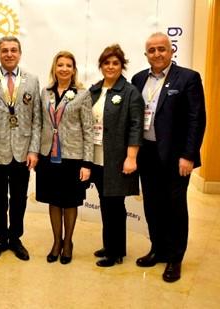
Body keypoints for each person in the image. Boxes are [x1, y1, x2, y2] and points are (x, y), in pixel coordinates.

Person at [132, 32, 206, 282]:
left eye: (161, 49)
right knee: (152, 204)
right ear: (146, 54)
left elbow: (197, 119)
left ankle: (175, 258)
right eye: (151, 50)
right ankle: (157, 249)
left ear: (171, 50)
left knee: (174, 206)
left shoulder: (188, 78)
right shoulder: (139, 79)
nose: (157, 54)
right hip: (147, 153)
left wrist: (189, 155)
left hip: (176, 157)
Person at [0, 36, 41, 261]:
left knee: (20, 198)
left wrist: (33, 150)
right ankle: (0, 238)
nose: (9, 54)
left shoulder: (32, 80)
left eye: (14, 50)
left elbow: (37, 120)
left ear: (20, 54)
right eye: (5, 50)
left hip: (23, 151)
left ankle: (16, 238)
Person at [88, 44, 144, 267]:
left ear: (122, 66)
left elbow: (136, 126)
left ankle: (115, 252)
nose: (110, 67)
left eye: (115, 63)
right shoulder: (94, 90)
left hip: (118, 159)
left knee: (115, 205)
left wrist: (131, 157)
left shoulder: (130, 92)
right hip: (97, 157)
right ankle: (110, 244)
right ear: (100, 66)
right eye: (106, 63)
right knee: (105, 202)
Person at [36, 51, 93, 264]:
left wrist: (87, 162)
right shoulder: (45, 92)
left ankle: (68, 242)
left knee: (69, 201)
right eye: (60, 65)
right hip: (48, 156)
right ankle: (56, 242)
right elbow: (40, 124)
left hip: (72, 157)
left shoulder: (82, 94)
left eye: (68, 65)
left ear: (74, 69)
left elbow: (88, 129)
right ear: (54, 68)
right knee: (53, 200)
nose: (64, 69)